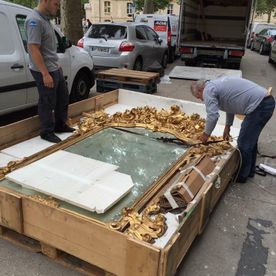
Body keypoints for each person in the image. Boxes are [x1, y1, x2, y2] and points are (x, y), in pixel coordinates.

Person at [191, 77, 275, 183]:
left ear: (200, 90)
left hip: (259, 106)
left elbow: (212, 116)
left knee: (243, 143)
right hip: (266, 102)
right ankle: (250, 171)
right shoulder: (215, 85)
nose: (202, 100)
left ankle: (241, 176)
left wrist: (206, 135)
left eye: (199, 97)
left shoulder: (208, 90)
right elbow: (230, 105)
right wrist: (228, 126)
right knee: (250, 141)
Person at [25, 0, 74, 143]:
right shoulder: (34, 20)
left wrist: (56, 65)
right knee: (47, 100)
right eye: (56, 4)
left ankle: (60, 125)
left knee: (62, 97)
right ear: (45, 1)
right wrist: (45, 74)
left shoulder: (45, 19)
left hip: (53, 67)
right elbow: (34, 48)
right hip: (44, 70)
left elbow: (48, 48)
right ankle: (46, 131)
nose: (58, 7)